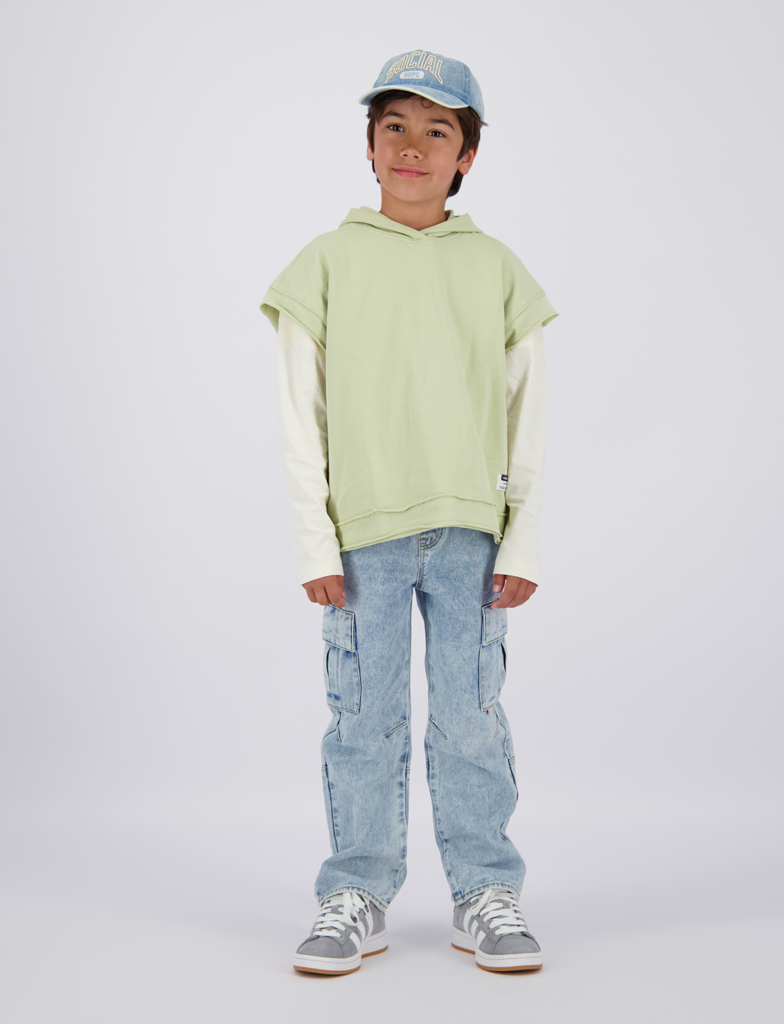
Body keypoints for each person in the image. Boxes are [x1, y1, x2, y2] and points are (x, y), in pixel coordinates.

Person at [259, 49, 559, 975]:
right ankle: (355, 892)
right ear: (367, 143)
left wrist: (522, 537)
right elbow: (299, 415)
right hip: (364, 539)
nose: (412, 146)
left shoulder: (495, 268)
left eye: (437, 131)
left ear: (466, 156)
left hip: (471, 535)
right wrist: (314, 539)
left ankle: (484, 892)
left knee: (471, 718)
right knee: (363, 718)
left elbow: (527, 413)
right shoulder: (325, 262)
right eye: (394, 126)